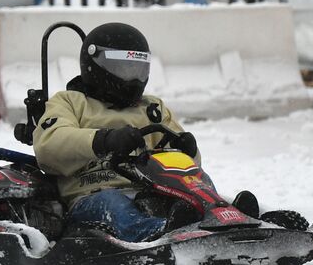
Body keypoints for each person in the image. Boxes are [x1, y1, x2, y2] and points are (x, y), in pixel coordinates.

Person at [34, 22, 246, 242]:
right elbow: (49, 145)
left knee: (192, 195)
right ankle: (158, 236)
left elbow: (188, 168)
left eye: (137, 70)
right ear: (96, 66)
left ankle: (230, 220)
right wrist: (104, 140)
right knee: (114, 205)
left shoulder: (152, 107)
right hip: (94, 195)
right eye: (124, 70)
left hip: (154, 191)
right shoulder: (70, 102)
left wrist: (188, 150)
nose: (132, 79)